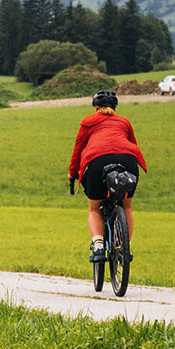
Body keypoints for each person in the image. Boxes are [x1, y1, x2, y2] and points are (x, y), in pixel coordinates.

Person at [67, 90, 146, 263]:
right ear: (115, 107)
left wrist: (73, 173)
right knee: (126, 206)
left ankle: (98, 245)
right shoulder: (124, 122)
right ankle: (125, 246)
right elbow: (133, 144)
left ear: (95, 107)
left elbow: (77, 150)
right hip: (128, 160)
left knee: (95, 208)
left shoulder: (88, 122)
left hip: (98, 161)